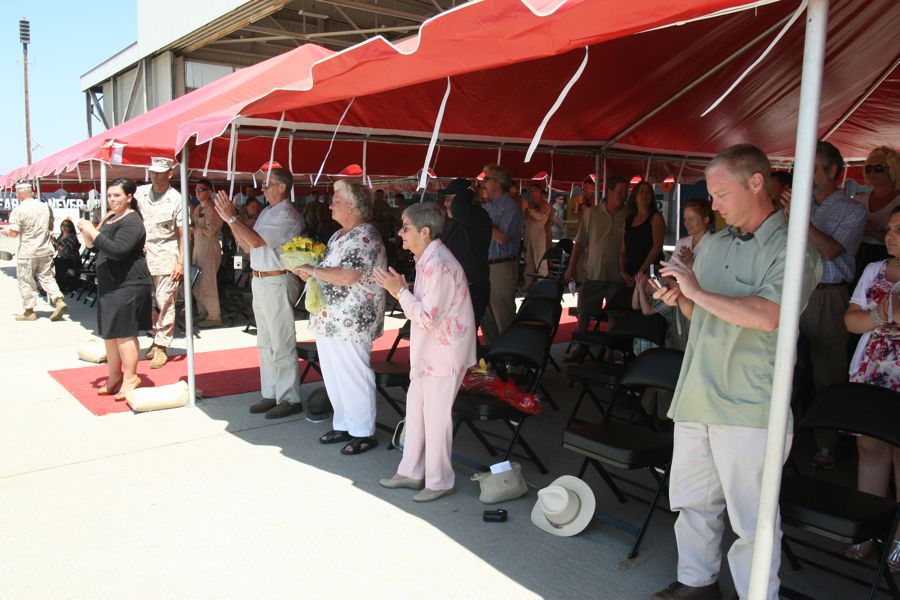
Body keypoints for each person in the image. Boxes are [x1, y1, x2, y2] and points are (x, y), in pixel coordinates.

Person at [651, 144, 821, 600]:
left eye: (721, 194)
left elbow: (769, 315)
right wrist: (681, 299)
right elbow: (702, 314)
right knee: (692, 503)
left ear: (757, 183)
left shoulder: (794, 250)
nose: (715, 205)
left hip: (749, 404)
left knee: (754, 521)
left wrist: (692, 288)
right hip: (697, 394)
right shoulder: (717, 245)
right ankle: (697, 584)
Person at [374, 202, 476, 501]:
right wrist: (403, 291)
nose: (400, 233)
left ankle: (440, 480)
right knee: (416, 412)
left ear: (426, 231)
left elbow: (429, 317)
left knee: (435, 417)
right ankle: (411, 471)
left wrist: (400, 292)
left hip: (445, 355)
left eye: (405, 228)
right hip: (431, 352)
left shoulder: (439, 264)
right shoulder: (428, 259)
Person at [783, 141, 866, 469]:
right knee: (787, 367)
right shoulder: (800, 205)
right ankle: (788, 434)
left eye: (813, 167)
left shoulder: (852, 209)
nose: (805, 173)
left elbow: (831, 251)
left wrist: (800, 220)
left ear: (833, 172)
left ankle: (827, 444)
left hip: (828, 295)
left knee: (826, 371)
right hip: (793, 292)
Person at [293, 180, 387, 455]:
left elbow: (348, 276)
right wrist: (311, 271)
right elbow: (329, 270)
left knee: (353, 375)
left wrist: (313, 270)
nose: (330, 204)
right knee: (335, 375)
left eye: (335, 199)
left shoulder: (365, 236)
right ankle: (345, 424)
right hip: (331, 319)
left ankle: (363, 431)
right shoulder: (340, 236)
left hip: (352, 320)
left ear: (352, 205)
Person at [214, 167, 305, 419]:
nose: (263, 189)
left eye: (268, 184)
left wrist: (232, 219)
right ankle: (272, 392)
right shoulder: (267, 211)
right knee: (265, 341)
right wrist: (230, 219)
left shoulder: (288, 214)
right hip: (261, 279)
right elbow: (246, 244)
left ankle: (289, 397)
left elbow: (255, 241)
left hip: (276, 280)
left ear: (282, 187)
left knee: (281, 340)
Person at [843, 205, 900, 571]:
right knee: (870, 446)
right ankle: (866, 528)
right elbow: (851, 320)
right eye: (891, 227)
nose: (892, 234)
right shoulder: (874, 270)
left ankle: (899, 539)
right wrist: (883, 314)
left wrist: (877, 317)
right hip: (871, 370)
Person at [76, 179, 151, 401]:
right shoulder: (110, 218)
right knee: (110, 334)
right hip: (109, 285)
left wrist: (94, 231)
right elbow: (92, 246)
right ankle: (114, 375)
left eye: (117, 195)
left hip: (127, 284)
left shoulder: (132, 221)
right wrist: (87, 231)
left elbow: (119, 250)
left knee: (124, 334)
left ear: (129, 197)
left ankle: (130, 377)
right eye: (109, 195)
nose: (112, 199)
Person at [563, 175, 629, 361]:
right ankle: (580, 347)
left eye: (626, 191)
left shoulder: (628, 214)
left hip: (617, 275)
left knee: (615, 315)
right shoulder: (592, 213)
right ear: (609, 192)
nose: (624, 195)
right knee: (584, 313)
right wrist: (572, 266)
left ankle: (611, 349)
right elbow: (580, 242)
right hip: (593, 272)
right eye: (620, 191)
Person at [134, 157, 184, 369]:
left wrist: (181, 262)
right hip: (143, 255)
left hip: (166, 255)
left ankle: (163, 345)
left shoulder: (176, 199)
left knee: (165, 301)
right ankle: (155, 337)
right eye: (152, 172)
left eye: (159, 172)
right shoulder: (140, 193)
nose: (154, 175)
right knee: (147, 302)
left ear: (169, 174)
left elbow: (183, 234)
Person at [0, 182, 67, 321]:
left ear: (19, 195)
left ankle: (29, 311)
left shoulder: (19, 210)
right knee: (47, 277)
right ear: (32, 192)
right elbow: (51, 225)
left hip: (28, 251)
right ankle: (58, 300)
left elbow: (14, 233)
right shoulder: (45, 207)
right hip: (45, 248)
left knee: (26, 280)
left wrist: (5, 231)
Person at [479, 164, 524, 346]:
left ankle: (510, 359)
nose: (483, 183)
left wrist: (480, 221)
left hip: (501, 265)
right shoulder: (488, 206)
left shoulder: (511, 206)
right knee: (485, 314)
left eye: (486, 179)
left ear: (498, 183)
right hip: (484, 264)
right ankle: (493, 356)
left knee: (502, 314)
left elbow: (503, 238)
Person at [438, 178, 492, 327]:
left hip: (472, 287)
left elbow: (459, 208)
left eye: (449, 199)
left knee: (463, 340)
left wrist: (469, 192)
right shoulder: (459, 223)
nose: (445, 203)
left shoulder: (478, 217)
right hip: (460, 288)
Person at [854, 146, 900, 279]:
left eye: (879, 168)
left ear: (893, 169)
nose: (872, 172)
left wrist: (872, 231)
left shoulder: (898, 202)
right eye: (868, 168)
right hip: (859, 255)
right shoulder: (858, 199)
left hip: (890, 258)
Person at [190, 179, 224, 328]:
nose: (198, 192)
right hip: (197, 247)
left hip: (209, 247)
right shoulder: (198, 208)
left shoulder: (213, 208)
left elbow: (210, 231)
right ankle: (202, 312)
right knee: (196, 280)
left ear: (209, 191)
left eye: (201, 189)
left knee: (208, 281)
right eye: (196, 190)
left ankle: (214, 316)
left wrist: (194, 230)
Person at [621, 181, 665, 287]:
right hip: (630, 274)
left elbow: (657, 247)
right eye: (641, 191)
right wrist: (622, 271)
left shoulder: (656, 217)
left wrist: (640, 272)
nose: (645, 194)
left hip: (649, 274)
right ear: (635, 196)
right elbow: (622, 251)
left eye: (648, 192)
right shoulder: (628, 220)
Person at [522, 184, 552, 288]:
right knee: (528, 261)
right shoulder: (530, 203)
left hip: (539, 236)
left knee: (541, 260)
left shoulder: (545, 205)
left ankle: (542, 285)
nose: (532, 193)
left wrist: (529, 209)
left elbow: (540, 217)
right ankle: (527, 283)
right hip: (528, 235)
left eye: (534, 190)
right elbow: (525, 218)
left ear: (540, 191)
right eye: (531, 191)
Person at [672, 198, 712, 270]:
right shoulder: (681, 243)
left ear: (706, 220)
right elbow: (671, 267)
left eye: (691, 219)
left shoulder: (715, 244)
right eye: (685, 219)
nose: (686, 223)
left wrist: (691, 263)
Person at [53, 218, 82, 293]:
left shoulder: (72, 237)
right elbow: (56, 249)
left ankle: (60, 287)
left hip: (72, 261)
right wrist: (53, 243)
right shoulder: (61, 236)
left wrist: (56, 243)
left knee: (58, 264)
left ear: (71, 227)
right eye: (63, 225)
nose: (64, 227)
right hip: (63, 259)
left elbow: (66, 251)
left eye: (67, 225)